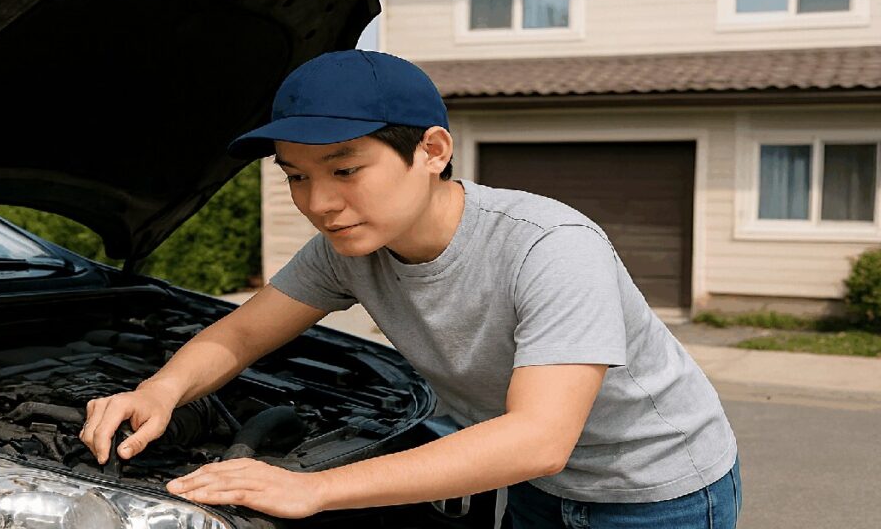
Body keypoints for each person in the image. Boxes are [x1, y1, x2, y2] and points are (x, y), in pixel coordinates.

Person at [79, 49, 742, 528]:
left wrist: (312, 488)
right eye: (297, 176)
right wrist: (158, 390)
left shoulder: (550, 247)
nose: (319, 202)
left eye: (344, 169)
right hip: (537, 489)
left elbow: (539, 437)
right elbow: (243, 331)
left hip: (660, 493)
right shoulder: (348, 248)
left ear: (432, 150)